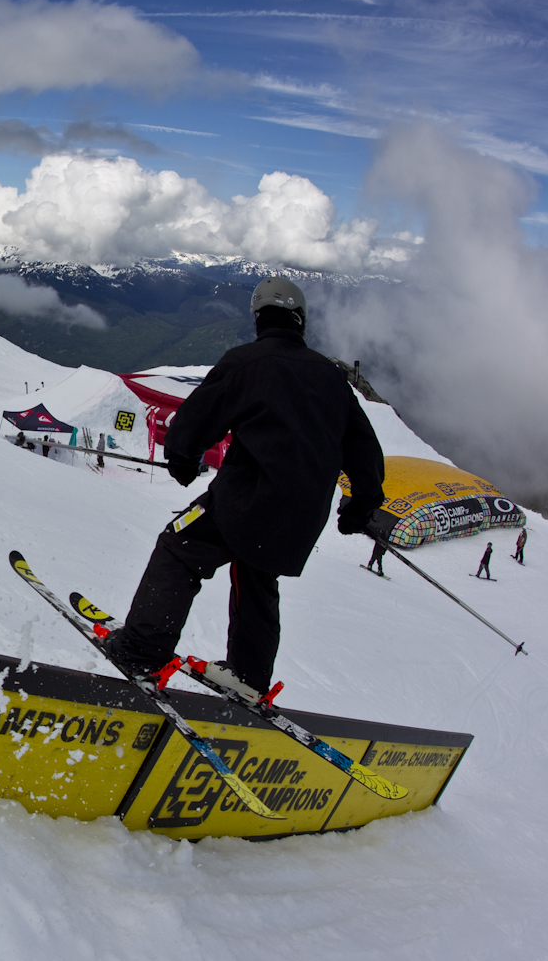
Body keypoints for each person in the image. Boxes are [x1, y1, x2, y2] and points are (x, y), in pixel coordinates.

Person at [100, 277, 385, 700]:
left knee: (178, 546)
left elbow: (195, 420)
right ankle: (249, 677)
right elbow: (366, 456)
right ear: (300, 321)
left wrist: (183, 461)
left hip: (244, 501)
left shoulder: (246, 362)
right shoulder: (332, 380)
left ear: (258, 319)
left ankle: (142, 650)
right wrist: (358, 512)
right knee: (257, 576)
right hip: (301, 519)